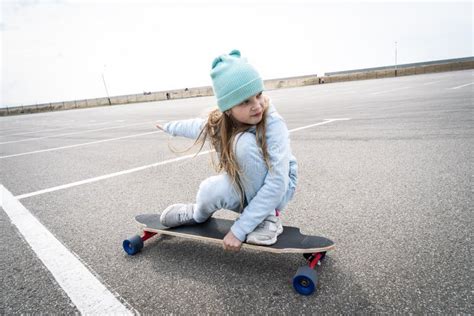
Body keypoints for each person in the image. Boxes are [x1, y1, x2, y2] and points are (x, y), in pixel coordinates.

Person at [156, 49, 298, 252]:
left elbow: (278, 181)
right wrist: (169, 127)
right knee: (208, 189)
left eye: (258, 95)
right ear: (228, 109)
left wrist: (240, 229)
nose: (257, 106)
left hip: (280, 186)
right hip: (246, 183)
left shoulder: (273, 123)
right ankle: (196, 214)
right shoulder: (222, 122)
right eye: (245, 101)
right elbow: (198, 126)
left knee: (241, 143)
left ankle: (268, 218)